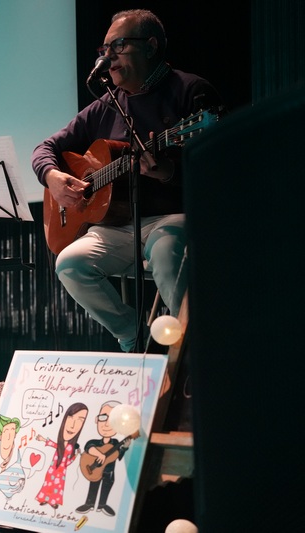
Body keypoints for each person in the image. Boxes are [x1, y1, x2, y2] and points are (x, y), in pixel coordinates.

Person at [32, 9, 221, 352]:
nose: (107, 58)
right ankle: (133, 336)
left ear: (150, 46)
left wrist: (169, 172)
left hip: (175, 217)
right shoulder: (105, 105)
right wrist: (53, 176)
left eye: (117, 46)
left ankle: (193, 351)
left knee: (165, 254)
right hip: (119, 227)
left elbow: (220, 170)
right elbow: (45, 148)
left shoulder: (191, 91)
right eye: (104, 50)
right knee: (70, 264)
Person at [76, 400, 131, 517]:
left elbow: (118, 456)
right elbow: (89, 447)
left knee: (107, 486)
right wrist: (99, 454)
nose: (106, 424)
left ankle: (102, 505)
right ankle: (89, 504)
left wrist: (125, 448)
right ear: (96, 419)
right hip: (95, 469)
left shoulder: (115, 442)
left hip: (109, 471)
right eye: (103, 418)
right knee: (94, 486)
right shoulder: (95, 442)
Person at [34, 402, 88, 509]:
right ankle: (44, 498)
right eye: (70, 417)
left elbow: (68, 461)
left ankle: (53, 501)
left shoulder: (70, 448)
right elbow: (53, 444)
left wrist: (76, 455)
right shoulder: (60, 444)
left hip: (61, 471)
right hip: (53, 468)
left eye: (80, 421)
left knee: (57, 487)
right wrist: (43, 439)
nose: (73, 425)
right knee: (48, 483)